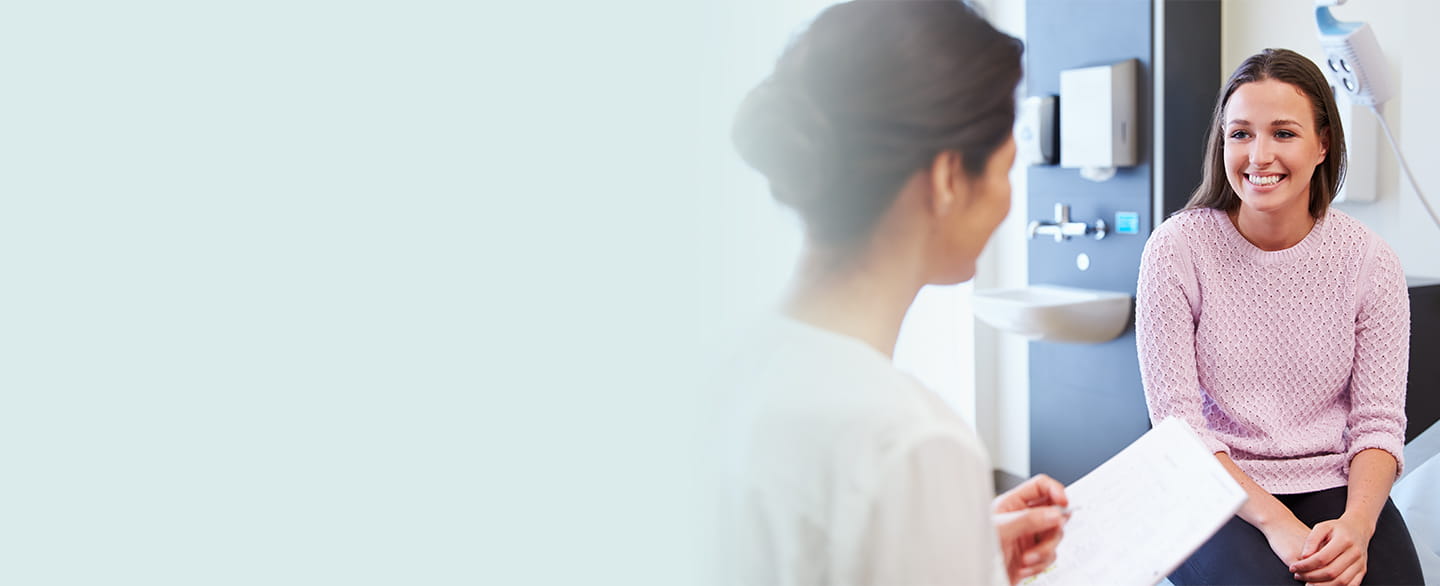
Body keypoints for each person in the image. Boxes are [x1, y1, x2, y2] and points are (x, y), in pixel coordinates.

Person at [719, 1, 1069, 585]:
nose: (1008, 203)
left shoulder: (738, 367)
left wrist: (960, 545)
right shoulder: (910, 442)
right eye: (1007, 169)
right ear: (949, 178)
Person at [1137, 48, 1424, 586]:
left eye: (1284, 133)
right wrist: (1279, 525)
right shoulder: (1176, 250)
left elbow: (1379, 424)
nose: (1258, 155)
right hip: (1211, 482)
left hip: (1331, 479)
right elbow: (1179, 430)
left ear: (1323, 145)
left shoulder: (1370, 262)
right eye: (1240, 133)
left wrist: (1358, 526)